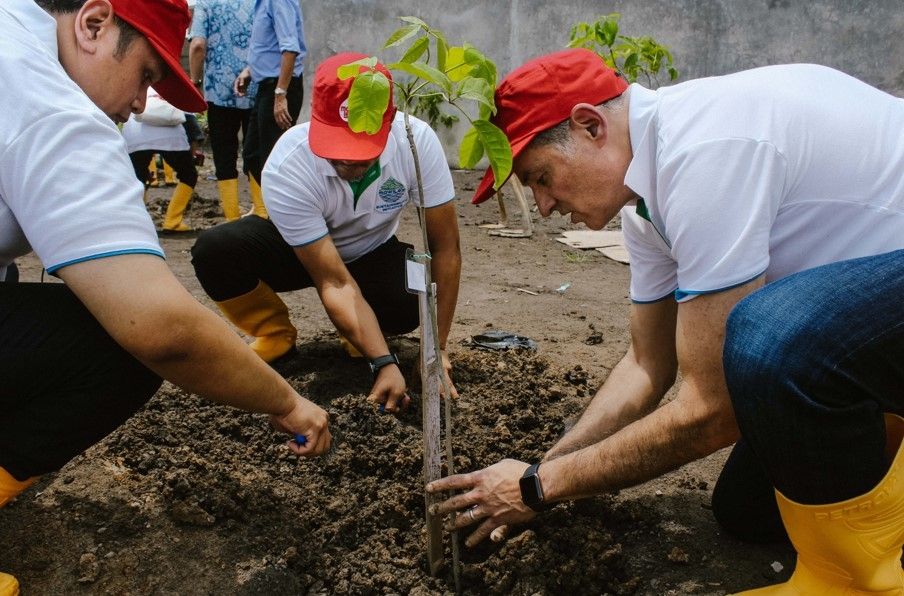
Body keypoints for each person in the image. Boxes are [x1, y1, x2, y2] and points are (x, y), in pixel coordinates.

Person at [426, 48, 904, 593]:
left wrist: (539, 488)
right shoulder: (646, 206)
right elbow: (646, 365)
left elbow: (711, 412)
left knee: (768, 341)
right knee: (745, 512)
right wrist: (544, 468)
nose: (545, 206)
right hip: (872, 329)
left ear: (589, 125)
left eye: (542, 177)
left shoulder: (704, 152)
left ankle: (859, 582)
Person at [0, 0, 330, 592]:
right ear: (94, 24)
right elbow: (160, 328)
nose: (137, 103)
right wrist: (287, 403)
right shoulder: (52, 107)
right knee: (112, 347)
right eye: (146, 76)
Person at [191, 52, 461, 414]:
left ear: (391, 122)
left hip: (370, 252)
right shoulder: (290, 163)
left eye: (361, 153)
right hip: (299, 253)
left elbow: (446, 249)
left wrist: (435, 350)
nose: (348, 162)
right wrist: (384, 364)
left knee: (412, 291)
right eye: (338, 151)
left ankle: (358, 335)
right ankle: (275, 334)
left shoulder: (416, 142)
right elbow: (333, 281)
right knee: (216, 250)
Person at [232, 0, 305, 219]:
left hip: (281, 87)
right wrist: (249, 71)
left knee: (273, 159)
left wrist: (281, 94)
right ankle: (278, 214)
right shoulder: (262, 3)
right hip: (267, 86)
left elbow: (290, 49)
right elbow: (269, 47)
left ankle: (292, 217)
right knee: (253, 154)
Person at [188, 0, 255, 222]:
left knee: (224, 154)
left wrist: (195, 81)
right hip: (255, 86)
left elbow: (198, 45)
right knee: (256, 150)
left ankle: (232, 218)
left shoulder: (207, 4)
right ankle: (261, 212)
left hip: (219, 90)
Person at [122, 87, 199, 232]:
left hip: (135, 135)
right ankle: (172, 222)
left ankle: (138, 223)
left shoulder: (135, 85)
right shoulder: (175, 88)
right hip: (171, 136)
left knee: (138, 178)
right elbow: (190, 122)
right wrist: (192, 152)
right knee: (189, 175)